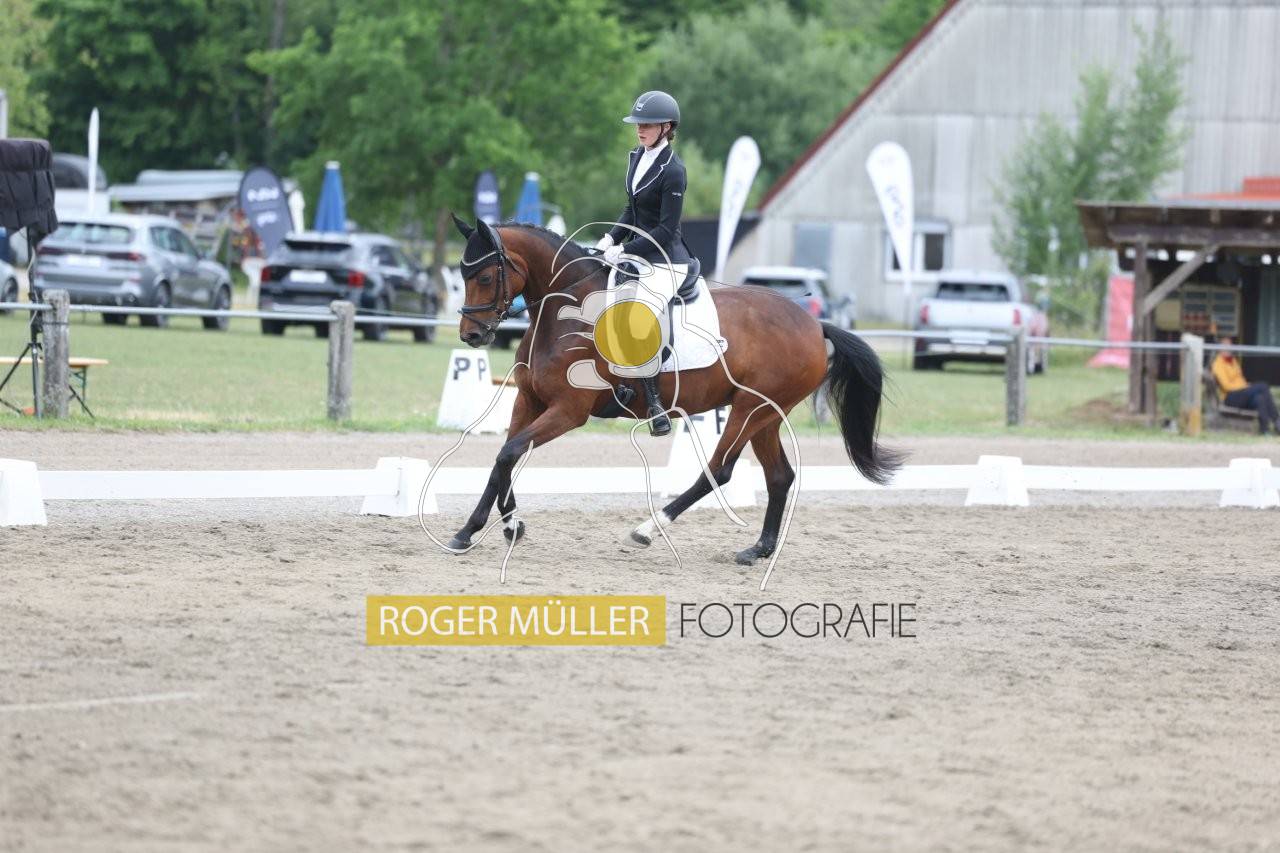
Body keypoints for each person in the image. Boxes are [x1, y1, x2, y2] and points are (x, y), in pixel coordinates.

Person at [594, 90, 694, 437]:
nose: (640, 129)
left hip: (666, 260)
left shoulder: (674, 171)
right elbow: (631, 209)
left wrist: (625, 250)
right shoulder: (637, 156)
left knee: (638, 318)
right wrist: (610, 239)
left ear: (667, 127)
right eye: (638, 124)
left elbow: (665, 230)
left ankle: (654, 405)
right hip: (636, 253)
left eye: (648, 125)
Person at [1211, 336, 1280, 435]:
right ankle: (1277, 421)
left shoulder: (1232, 361)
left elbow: (1240, 379)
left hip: (1240, 394)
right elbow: (1226, 386)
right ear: (1219, 348)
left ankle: (1264, 430)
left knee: (1259, 398)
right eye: (1225, 346)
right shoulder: (1217, 364)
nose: (1228, 348)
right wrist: (1245, 389)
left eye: (1230, 346)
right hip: (1230, 397)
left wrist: (1246, 387)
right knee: (1263, 386)